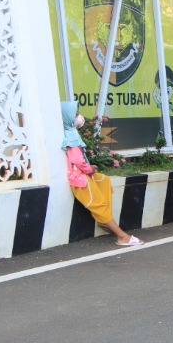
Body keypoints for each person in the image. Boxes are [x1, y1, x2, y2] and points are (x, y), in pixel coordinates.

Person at [61, 102, 142, 247]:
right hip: (80, 179)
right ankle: (122, 236)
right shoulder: (70, 136)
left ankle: (105, 221)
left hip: (82, 174)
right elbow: (77, 160)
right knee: (99, 204)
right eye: (75, 114)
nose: (79, 117)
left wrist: (89, 168)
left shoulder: (71, 133)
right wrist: (89, 169)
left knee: (104, 180)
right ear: (67, 117)